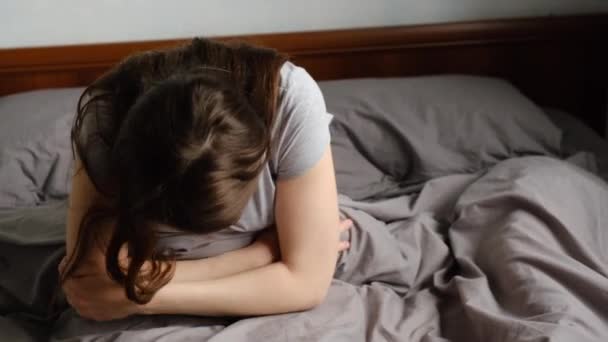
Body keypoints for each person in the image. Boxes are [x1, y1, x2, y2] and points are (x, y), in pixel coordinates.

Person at [58, 37, 352, 322]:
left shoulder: (290, 100)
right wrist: (261, 254)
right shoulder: (105, 114)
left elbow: (307, 285)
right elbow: (91, 279)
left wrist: (141, 299)